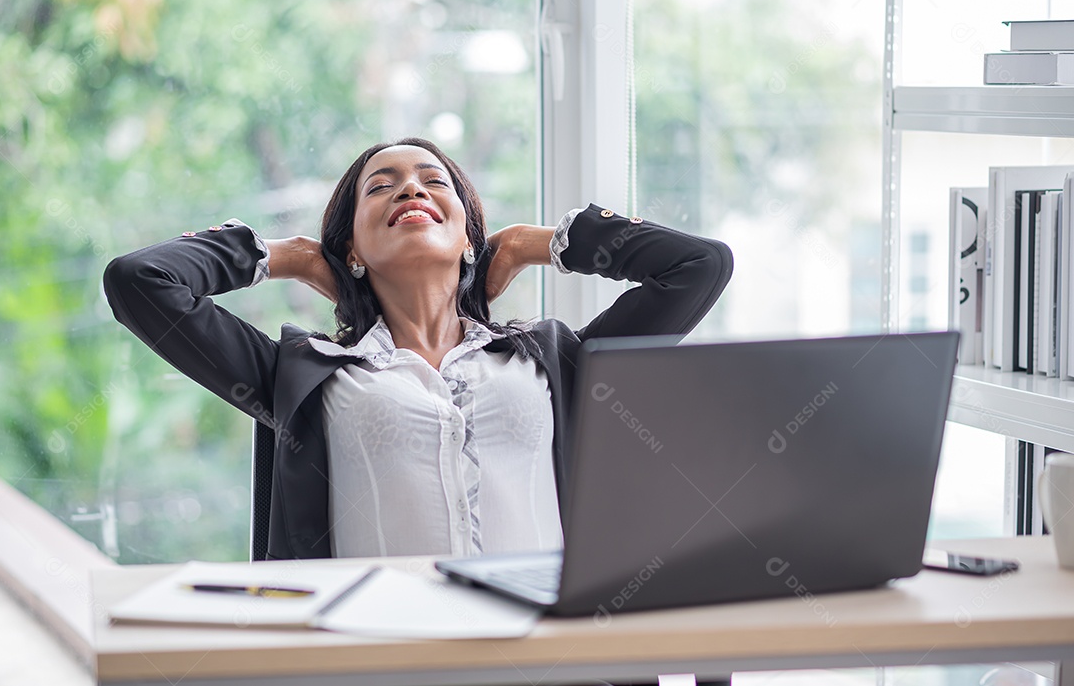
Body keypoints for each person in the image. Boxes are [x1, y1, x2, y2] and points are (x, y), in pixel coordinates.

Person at [103, 136, 733, 561]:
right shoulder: (299, 375)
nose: (411, 190)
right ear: (349, 249)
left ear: (468, 238)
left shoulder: (552, 360)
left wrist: (534, 243)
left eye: (435, 183)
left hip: (550, 666)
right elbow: (140, 282)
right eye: (381, 187)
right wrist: (280, 256)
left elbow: (698, 266)